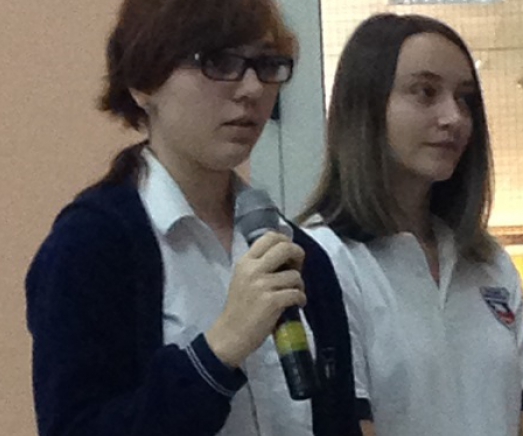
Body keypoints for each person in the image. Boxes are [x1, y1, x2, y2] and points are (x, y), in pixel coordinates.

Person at [24, 1, 360, 435]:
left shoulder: (296, 252)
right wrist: (217, 353)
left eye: (267, 65)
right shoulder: (92, 244)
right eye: (219, 62)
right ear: (143, 83)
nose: (252, 89)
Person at [299, 13, 523, 436]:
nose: (454, 117)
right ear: (367, 107)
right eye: (426, 92)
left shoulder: (490, 263)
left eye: (464, 99)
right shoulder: (324, 261)